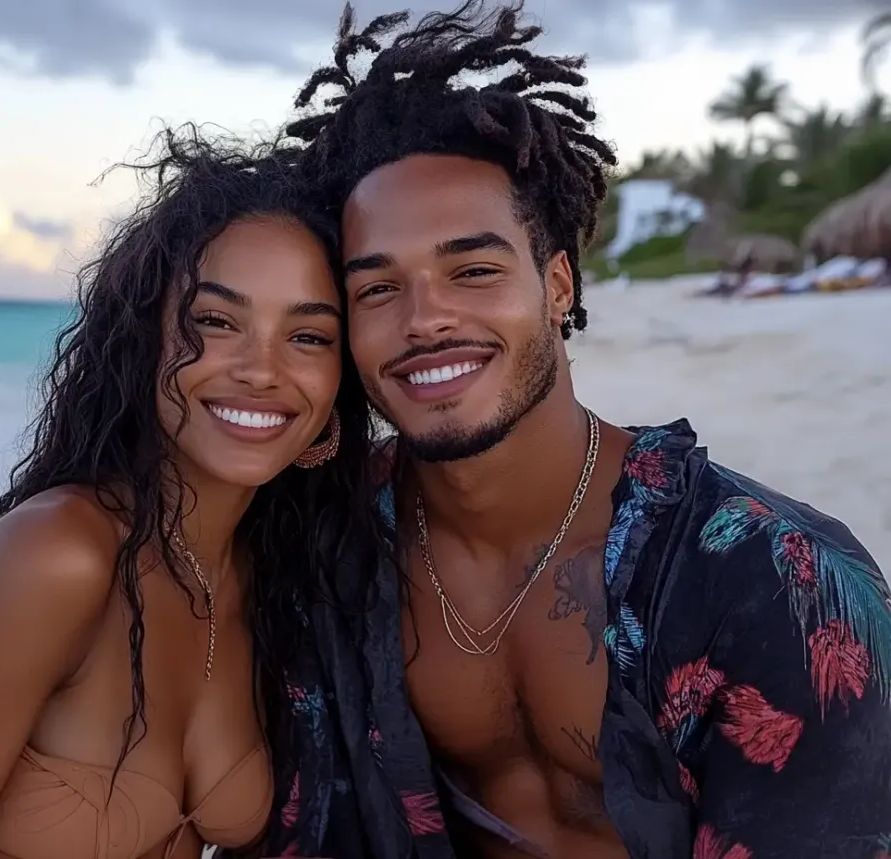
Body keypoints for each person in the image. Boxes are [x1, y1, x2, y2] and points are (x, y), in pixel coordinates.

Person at [260, 3, 891, 858]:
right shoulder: (319, 544)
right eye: (377, 288)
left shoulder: (776, 582)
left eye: (474, 270)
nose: (425, 319)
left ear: (557, 285)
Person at [0, 127, 385, 859]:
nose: (262, 369)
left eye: (309, 337)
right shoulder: (58, 558)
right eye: (215, 322)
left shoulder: (270, 578)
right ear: (143, 338)